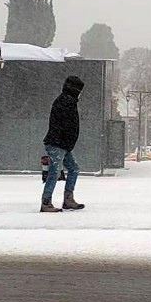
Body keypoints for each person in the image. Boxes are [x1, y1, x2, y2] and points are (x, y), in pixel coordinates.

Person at [41, 76, 86, 213]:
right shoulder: (66, 102)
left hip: (62, 144)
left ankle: (67, 199)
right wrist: (67, 141)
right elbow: (66, 125)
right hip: (58, 143)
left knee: (73, 168)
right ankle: (46, 202)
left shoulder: (66, 101)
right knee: (54, 171)